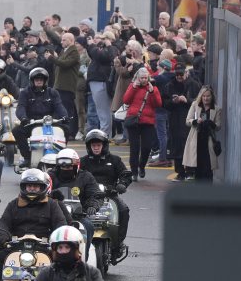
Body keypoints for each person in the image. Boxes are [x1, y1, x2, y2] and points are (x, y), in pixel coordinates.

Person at [0, 169, 66, 281]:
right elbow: (3, 222)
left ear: (42, 187)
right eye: (29, 186)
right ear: (23, 187)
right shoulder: (13, 204)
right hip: (17, 245)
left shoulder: (52, 205)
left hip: (44, 246)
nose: (32, 189)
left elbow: (60, 224)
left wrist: (57, 241)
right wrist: (2, 237)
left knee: (60, 260)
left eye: (35, 186)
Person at [81, 129, 132, 259]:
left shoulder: (115, 160)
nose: (96, 148)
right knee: (73, 211)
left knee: (124, 211)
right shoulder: (83, 162)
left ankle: (118, 243)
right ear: (89, 146)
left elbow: (125, 174)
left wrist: (122, 184)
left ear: (104, 146)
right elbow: (74, 175)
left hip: (110, 195)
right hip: (88, 196)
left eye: (98, 145)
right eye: (93, 145)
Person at [49, 148, 103, 259]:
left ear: (76, 166)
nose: (65, 169)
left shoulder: (86, 177)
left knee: (88, 226)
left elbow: (95, 194)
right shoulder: (50, 176)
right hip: (53, 215)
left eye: (69, 167)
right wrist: (50, 196)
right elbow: (42, 191)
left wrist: (92, 205)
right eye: (63, 167)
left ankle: (83, 258)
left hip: (78, 216)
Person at [13, 67, 67, 168]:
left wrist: (64, 116)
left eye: (41, 79)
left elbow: (59, 106)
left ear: (45, 81)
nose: (39, 81)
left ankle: (61, 154)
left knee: (66, 129)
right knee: (17, 131)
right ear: (32, 80)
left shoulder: (53, 92)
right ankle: (27, 157)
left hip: (50, 123)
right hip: (31, 123)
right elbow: (21, 107)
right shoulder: (25, 92)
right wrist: (23, 118)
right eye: (36, 79)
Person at [122, 66, 163, 181]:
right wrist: (133, 88)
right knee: (134, 148)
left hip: (148, 122)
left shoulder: (153, 88)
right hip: (134, 120)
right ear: (138, 78)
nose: (144, 80)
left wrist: (152, 92)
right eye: (142, 78)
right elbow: (126, 100)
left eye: (145, 78)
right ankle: (134, 172)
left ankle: (142, 166)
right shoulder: (132, 86)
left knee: (146, 147)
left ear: (148, 78)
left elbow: (158, 104)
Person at [182, 85, 222, 181]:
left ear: (212, 96)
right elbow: (187, 120)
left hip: (209, 142)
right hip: (196, 140)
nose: (205, 98)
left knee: (208, 170)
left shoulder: (217, 109)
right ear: (201, 96)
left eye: (208, 96)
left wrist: (212, 124)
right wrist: (195, 121)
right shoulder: (195, 105)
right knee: (198, 170)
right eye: (204, 96)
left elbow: (218, 127)